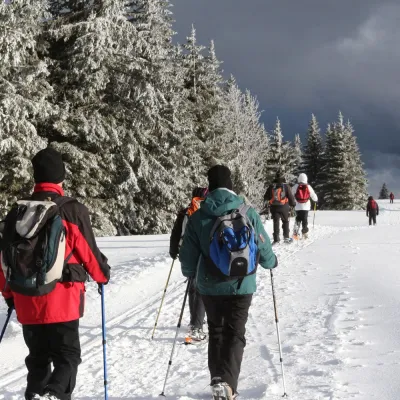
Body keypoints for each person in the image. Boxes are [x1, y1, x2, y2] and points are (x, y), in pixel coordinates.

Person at [0, 148, 111, 400]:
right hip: (63, 298)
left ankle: (37, 395)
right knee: (67, 357)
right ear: (60, 178)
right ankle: (53, 395)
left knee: (37, 360)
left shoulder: (16, 214)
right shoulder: (70, 210)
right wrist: (102, 275)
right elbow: (89, 253)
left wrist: (9, 294)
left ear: (36, 177)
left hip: (26, 300)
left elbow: (3, 260)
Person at [179, 165, 277, 400]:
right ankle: (228, 385)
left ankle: (217, 380)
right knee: (235, 333)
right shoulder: (247, 211)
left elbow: (188, 258)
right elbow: (263, 244)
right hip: (242, 285)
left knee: (216, 331)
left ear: (210, 186)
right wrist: (271, 262)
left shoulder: (199, 216)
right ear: (231, 186)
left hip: (209, 287)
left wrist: (191, 272)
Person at [169, 187, 209, 343]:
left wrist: (173, 250)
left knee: (193, 286)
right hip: (205, 253)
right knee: (201, 288)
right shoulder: (208, 210)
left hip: (187, 253)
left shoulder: (185, 212)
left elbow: (176, 233)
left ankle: (196, 321)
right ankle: (196, 326)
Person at [264, 173, 296, 244]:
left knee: (276, 222)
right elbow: (290, 196)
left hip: (274, 207)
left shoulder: (271, 186)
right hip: (284, 206)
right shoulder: (285, 186)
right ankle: (286, 238)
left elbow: (266, 196)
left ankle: (276, 239)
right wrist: (293, 204)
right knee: (285, 221)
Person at [291, 173, 318, 239]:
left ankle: (295, 233)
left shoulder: (296, 186)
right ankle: (304, 233)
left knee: (298, 219)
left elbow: (291, 194)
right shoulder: (308, 186)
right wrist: (316, 200)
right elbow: (313, 195)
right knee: (304, 220)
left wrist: (292, 202)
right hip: (306, 206)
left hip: (297, 206)